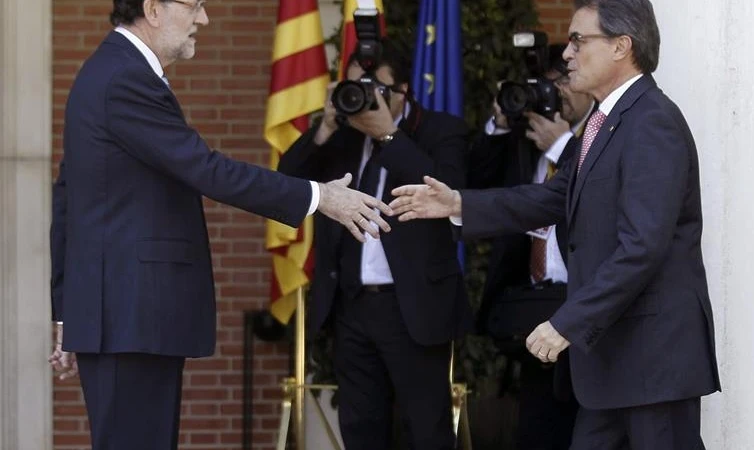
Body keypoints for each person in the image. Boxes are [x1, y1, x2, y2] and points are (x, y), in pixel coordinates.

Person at [47, 0, 393, 448]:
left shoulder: (108, 70)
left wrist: (66, 312)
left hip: (123, 317)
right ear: (152, 8)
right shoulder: (124, 77)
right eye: (194, 5)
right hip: (131, 317)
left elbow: (67, 197)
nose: (203, 19)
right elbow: (206, 170)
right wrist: (319, 196)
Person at [390, 0, 721, 448]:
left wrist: (567, 322)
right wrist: (457, 203)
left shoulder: (652, 122)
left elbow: (642, 247)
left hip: (652, 363)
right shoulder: (604, 123)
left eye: (579, 40)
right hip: (612, 364)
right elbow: (552, 196)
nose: (566, 53)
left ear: (622, 46)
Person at [278, 39, 472, 450]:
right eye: (355, 87)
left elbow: (448, 194)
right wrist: (327, 124)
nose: (363, 98)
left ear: (404, 91)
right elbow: (287, 179)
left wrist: (388, 135)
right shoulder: (342, 137)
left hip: (413, 307)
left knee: (427, 430)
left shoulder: (442, 131)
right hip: (352, 306)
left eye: (377, 89)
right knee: (360, 428)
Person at [469, 43, 595, 450]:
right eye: (549, 86)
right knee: (538, 428)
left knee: (586, 426)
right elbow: (478, 180)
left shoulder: (596, 137)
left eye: (563, 83)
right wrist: (500, 122)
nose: (556, 94)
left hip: (582, 305)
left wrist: (561, 145)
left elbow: (594, 197)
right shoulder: (523, 139)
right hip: (530, 309)